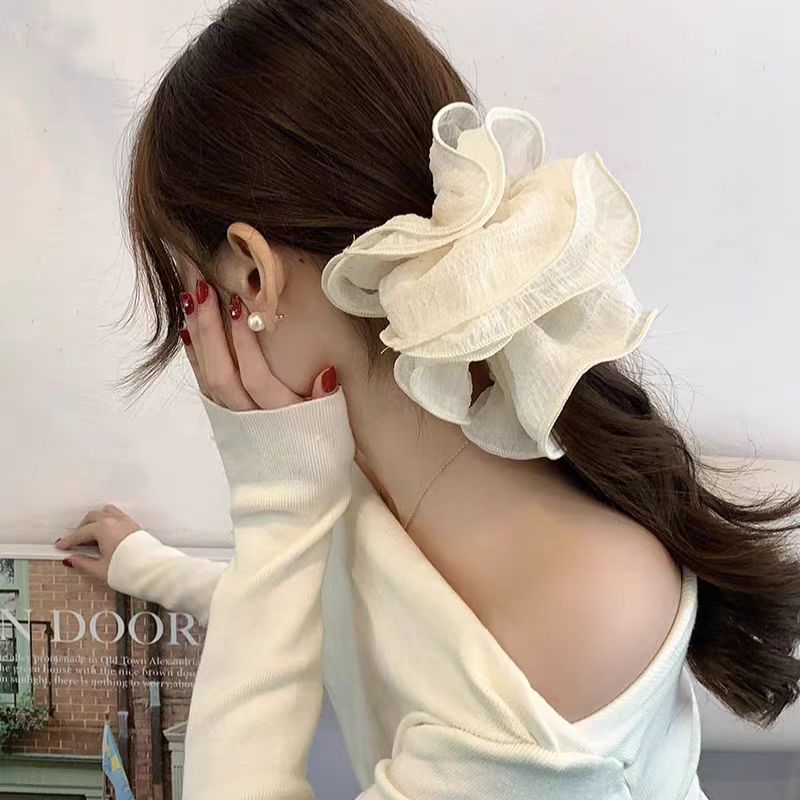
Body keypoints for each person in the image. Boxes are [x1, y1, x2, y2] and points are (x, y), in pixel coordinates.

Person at [54, 1, 800, 798]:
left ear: (251, 275)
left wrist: (274, 507)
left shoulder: (565, 632)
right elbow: (345, 606)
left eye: (187, 286)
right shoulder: (392, 456)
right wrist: (152, 568)